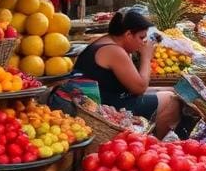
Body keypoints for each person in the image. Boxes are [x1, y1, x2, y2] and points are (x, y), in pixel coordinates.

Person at [73, 8, 181, 138]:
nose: (143, 42)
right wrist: (146, 57)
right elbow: (140, 88)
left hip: (112, 98)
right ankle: (158, 145)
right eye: (141, 38)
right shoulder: (114, 51)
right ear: (128, 34)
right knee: (172, 100)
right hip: (107, 108)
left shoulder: (107, 41)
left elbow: (155, 33)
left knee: (175, 91)